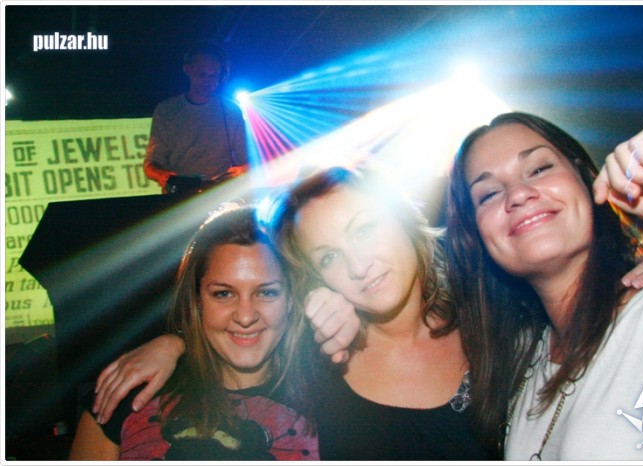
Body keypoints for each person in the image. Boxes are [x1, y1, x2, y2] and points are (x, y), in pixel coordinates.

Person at [92, 164, 497, 460]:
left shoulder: (495, 323)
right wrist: (175, 342)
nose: (359, 266)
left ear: (401, 215)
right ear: (316, 278)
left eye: (365, 229)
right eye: (329, 257)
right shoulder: (314, 362)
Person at [447, 112, 643, 460]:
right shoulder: (522, 357)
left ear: (588, 178)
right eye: (488, 194)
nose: (517, 194)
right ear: (476, 236)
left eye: (538, 169)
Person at [69, 204, 318, 460]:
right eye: (224, 294)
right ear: (197, 301)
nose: (245, 317)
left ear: (291, 299)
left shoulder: (329, 396)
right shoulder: (128, 391)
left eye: (266, 292)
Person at [143, 41, 248, 193]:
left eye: (213, 76)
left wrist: (242, 170)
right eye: (202, 75)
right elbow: (151, 164)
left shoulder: (231, 110)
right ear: (188, 69)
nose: (207, 82)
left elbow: (248, 161)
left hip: (219, 193)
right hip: (180, 193)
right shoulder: (166, 110)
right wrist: (162, 175)